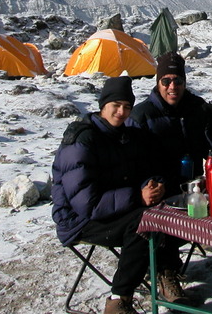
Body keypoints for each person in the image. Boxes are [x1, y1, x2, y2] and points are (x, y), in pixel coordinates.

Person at [51, 76, 187, 314]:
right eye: (116, 106)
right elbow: (87, 203)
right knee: (143, 224)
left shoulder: (126, 135)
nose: (121, 112)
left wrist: (155, 186)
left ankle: (166, 276)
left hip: (113, 209)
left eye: (127, 107)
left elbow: (146, 170)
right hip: (79, 219)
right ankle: (118, 300)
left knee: (168, 209)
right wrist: (137, 197)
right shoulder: (83, 140)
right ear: (103, 105)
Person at [128, 52, 212, 192]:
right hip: (158, 192)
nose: (172, 86)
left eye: (178, 81)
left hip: (195, 190)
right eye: (166, 81)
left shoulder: (197, 108)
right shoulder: (141, 116)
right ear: (158, 83)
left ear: (184, 83)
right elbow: (131, 165)